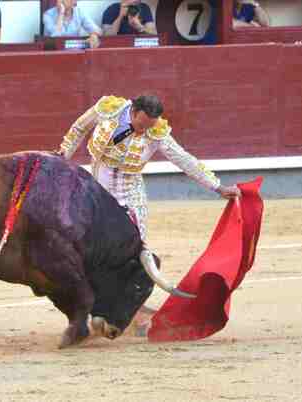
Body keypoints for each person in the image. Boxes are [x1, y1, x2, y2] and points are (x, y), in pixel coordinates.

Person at [55, 94, 241, 334]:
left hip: (130, 193)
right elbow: (79, 128)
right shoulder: (108, 109)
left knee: (135, 253)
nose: (144, 130)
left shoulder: (157, 132)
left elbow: (184, 160)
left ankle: (131, 310)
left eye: (149, 126)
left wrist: (217, 186)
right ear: (133, 112)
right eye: (142, 124)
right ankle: (106, 307)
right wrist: (62, 156)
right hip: (96, 191)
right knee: (91, 251)